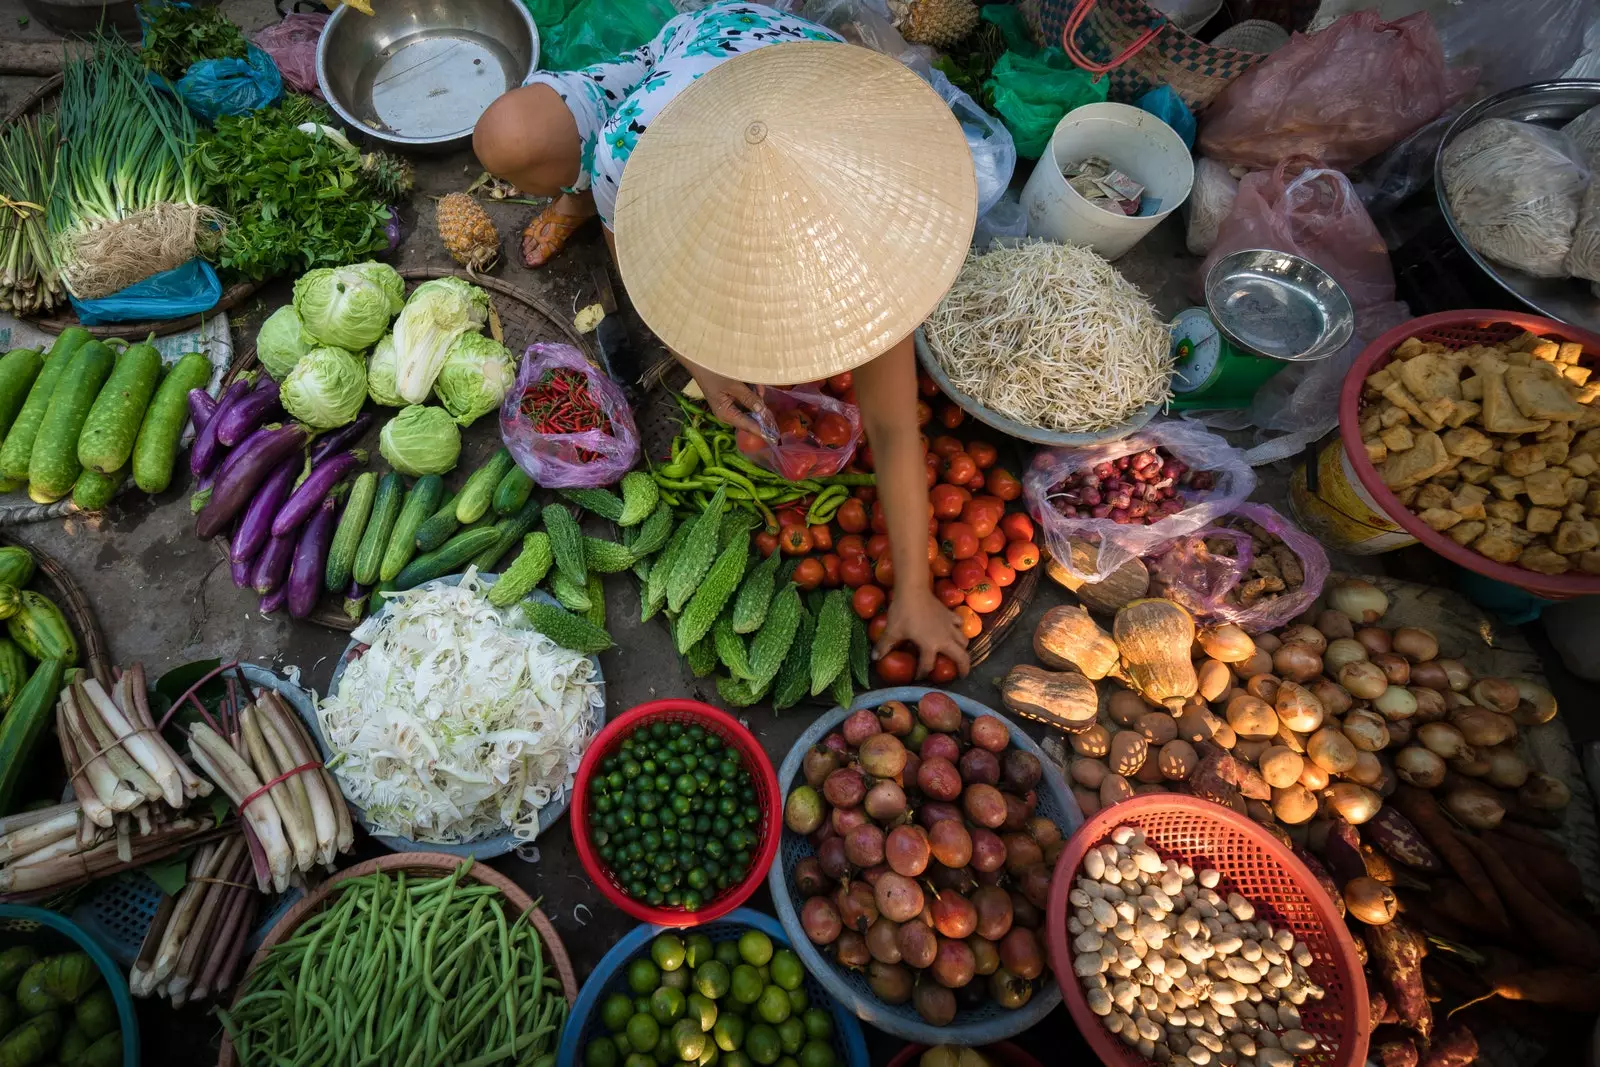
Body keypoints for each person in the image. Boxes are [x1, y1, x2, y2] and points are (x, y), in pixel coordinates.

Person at [473, 5, 980, 678]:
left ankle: (591, 182)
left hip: (803, 80)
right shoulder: (634, 158)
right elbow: (636, 260)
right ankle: (571, 196)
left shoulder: (868, 259)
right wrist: (703, 368)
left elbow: (892, 428)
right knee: (507, 138)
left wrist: (913, 588)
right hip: (698, 53)